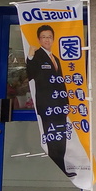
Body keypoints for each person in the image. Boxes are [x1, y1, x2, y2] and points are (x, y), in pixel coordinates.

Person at [26, 24, 75, 177]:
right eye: (43, 37)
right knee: (52, 138)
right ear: (39, 39)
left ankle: (62, 168)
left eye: (49, 37)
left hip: (59, 106)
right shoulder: (36, 56)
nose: (47, 40)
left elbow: (60, 82)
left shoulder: (56, 59)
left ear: (53, 39)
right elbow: (31, 74)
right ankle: (57, 170)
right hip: (47, 105)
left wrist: (66, 103)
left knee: (61, 138)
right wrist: (30, 57)